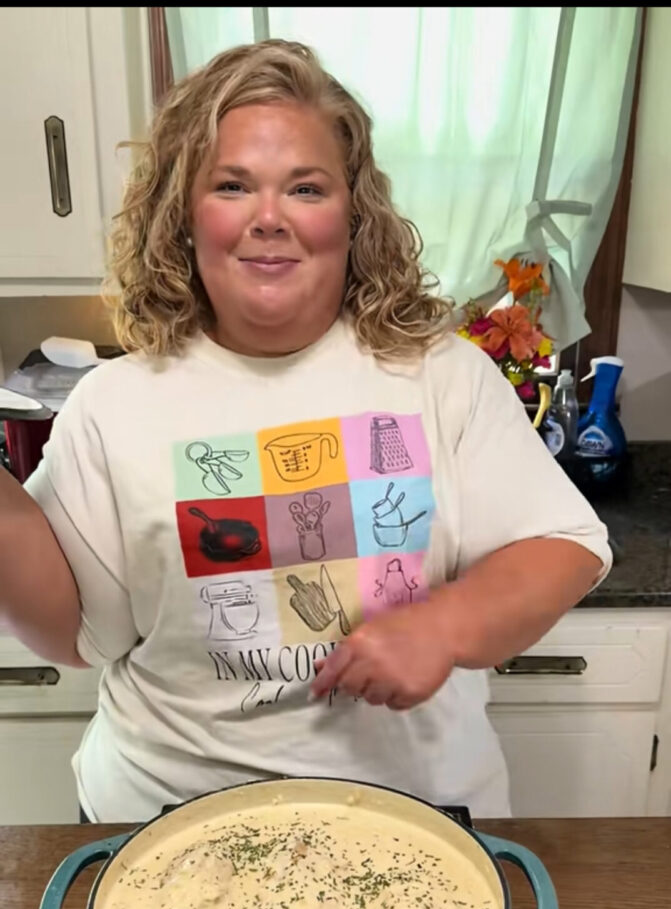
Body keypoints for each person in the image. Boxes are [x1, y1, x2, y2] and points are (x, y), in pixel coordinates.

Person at [0, 40, 610, 822]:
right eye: (231, 185)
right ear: (183, 214)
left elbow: (562, 547)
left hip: (411, 818)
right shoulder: (115, 403)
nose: (268, 218)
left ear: (352, 214)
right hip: (166, 821)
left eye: (305, 188)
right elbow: (77, 632)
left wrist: (448, 624)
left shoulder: (438, 375)